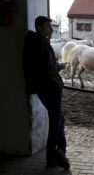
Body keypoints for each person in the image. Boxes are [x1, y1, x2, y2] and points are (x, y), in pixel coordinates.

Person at [23, 16, 70, 169]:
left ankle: (56, 153)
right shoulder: (42, 45)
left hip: (43, 87)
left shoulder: (33, 42)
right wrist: (59, 68)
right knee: (56, 121)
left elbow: (41, 66)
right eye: (48, 26)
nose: (51, 29)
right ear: (39, 27)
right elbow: (46, 68)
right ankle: (57, 152)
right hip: (50, 87)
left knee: (59, 118)